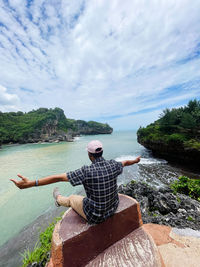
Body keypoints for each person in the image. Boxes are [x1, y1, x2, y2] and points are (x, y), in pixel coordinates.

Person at [11, 140, 140, 224]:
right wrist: (135, 161)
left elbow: (58, 177)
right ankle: (60, 198)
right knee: (90, 196)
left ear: (90, 156)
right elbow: (125, 162)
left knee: (73, 198)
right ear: (102, 152)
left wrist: (31, 183)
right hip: (113, 207)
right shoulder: (113, 165)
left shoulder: (86, 171)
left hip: (95, 215)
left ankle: (58, 199)